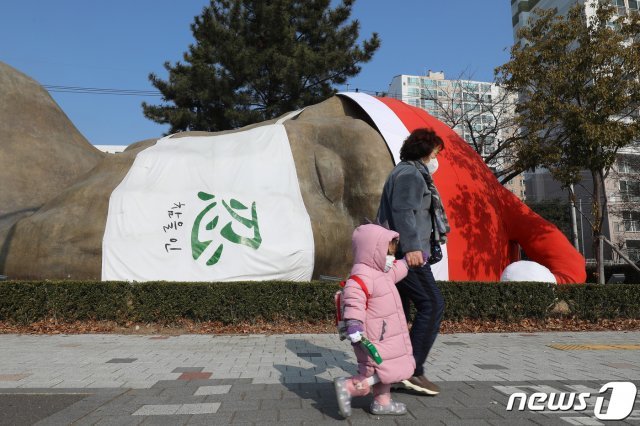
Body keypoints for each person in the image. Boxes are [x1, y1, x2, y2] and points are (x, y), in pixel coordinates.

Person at [376, 127, 449, 396]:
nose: (436, 157)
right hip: (406, 254)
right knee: (432, 303)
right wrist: (412, 248)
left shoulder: (406, 171)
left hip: (399, 252)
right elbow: (403, 211)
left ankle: (392, 371)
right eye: (436, 152)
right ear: (425, 151)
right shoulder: (410, 174)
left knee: (401, 314)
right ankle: (413, 370)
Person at [334, 224, 415, 418]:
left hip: (386, 334)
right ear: (372, 251)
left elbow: (398, 269)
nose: (391, 258)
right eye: (388, 252)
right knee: (373, 369)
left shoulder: (382, 273)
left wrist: (408, 262)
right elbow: (354, 300)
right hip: (371, 335)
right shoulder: (361, 277)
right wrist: (354, 324)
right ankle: (348, 386)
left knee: (387, 369)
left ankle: (382, 402)